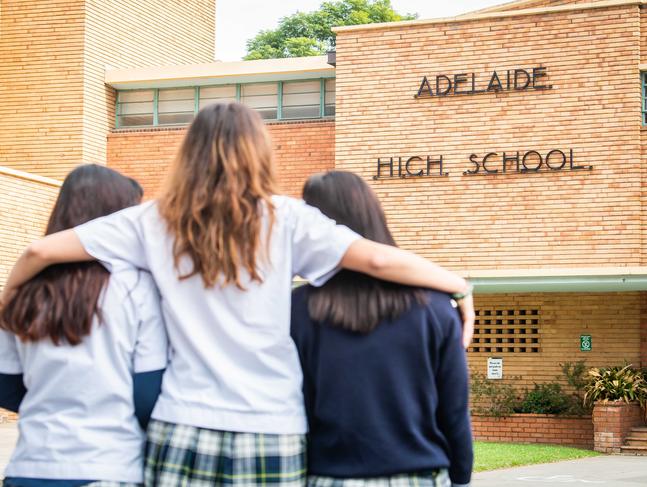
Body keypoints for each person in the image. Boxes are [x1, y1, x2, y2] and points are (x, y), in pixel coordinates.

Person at [0, 102, 474, 486]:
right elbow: (376, 260)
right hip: (272, 426)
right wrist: (458, 284)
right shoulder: (287, 218)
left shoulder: (151, 220)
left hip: (182, 423)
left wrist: (6, 303)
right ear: (258, 152)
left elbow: (40, 250)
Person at [291, 171, 473, 487]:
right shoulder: (438, 307)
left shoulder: (299, 309)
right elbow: (454, 410)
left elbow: (297, 406)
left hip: (329, 476)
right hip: (419, 476)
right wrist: (461, 478)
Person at [0, 165, 168, 487]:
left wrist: (56, 397)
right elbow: (147, 391)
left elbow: (6, 385)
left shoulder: (25, 288)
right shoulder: (136, 287)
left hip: (31, 467)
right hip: (109, 467)